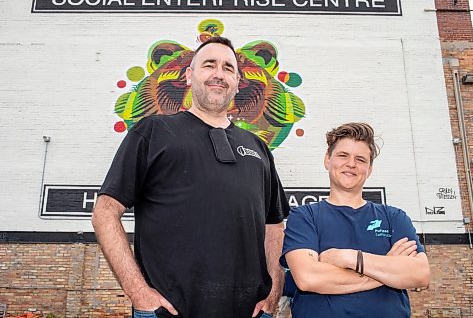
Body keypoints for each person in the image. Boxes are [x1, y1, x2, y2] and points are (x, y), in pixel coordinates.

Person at [92, 36, 289, 318]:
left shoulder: (258, 147)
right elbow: (105, 212)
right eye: (209, 65)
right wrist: (139, 293)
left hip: (250, 311)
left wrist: (273, 291)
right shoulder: (153, 131)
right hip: (168, 311)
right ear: (189, 75)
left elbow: (274, 224)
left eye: (228, 68)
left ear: (237, 82)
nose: (219, 74)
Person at [280, 122, 430, 318]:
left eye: (360, 159)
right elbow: (308, 278)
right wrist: (388, 270)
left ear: (369, 169)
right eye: (343, 155)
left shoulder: (394, 218)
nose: (351, 164)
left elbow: (420, 274)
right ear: (327, 160)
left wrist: (349, 258)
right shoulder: (305, 217)